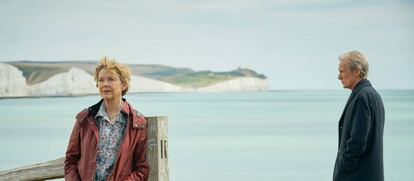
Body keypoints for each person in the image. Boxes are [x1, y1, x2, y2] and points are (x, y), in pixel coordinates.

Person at [64, 57, 149, 181]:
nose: (105, 84)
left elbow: (141, 169)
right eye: (101, 80)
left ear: (124, 85)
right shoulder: (84, 118)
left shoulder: (137, 123)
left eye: (111, 79)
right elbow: (71, 160)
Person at [333, 51, 385, 181]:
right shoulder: (373, 95)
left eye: (342, 71)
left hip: (357, 175)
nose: (339, 77)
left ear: (356, 71)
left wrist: (344, 166)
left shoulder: (362, 97)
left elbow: (358, 141)